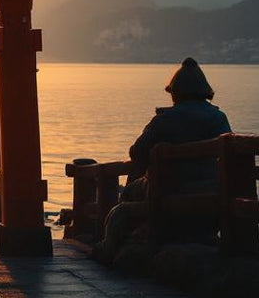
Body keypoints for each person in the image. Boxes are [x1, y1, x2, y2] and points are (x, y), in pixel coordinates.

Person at [99, 57, 232, 260]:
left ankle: (126, 241)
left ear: (175, 92)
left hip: (169, 188)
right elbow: (230, 155)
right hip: (212, 189)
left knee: (130, 192)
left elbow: (136, 152)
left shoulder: (165, 120)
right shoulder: (219, 119)